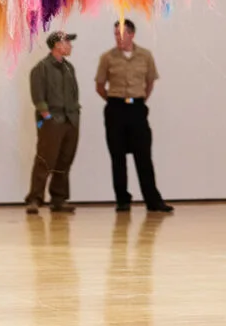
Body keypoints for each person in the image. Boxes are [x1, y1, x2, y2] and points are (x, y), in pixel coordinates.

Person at [95, 19, 172, 213]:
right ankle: (122, 200)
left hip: (137, 109)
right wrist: (115, 102)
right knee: (117, 157)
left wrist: (139, 100)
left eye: (121, 34)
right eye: (115, 34)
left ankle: (153, 201)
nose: (118, 38)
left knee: (143, 156)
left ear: (132, 34)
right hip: (115, 108)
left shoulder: (145, 56)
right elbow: (100, 86)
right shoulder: (107, 58)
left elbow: (150, 82)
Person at [26, 30, 80, 214]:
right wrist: (47, 117)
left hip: (70, 120)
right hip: (51, 121)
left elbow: (74, 94)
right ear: (57, 45)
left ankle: (59, 199)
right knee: (45, 160)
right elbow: (38, 96)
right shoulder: (41, 68)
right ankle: (35, 199)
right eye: (67, 42)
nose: (70, 46)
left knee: (64, 161)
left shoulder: (69, 68)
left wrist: (74, 116)